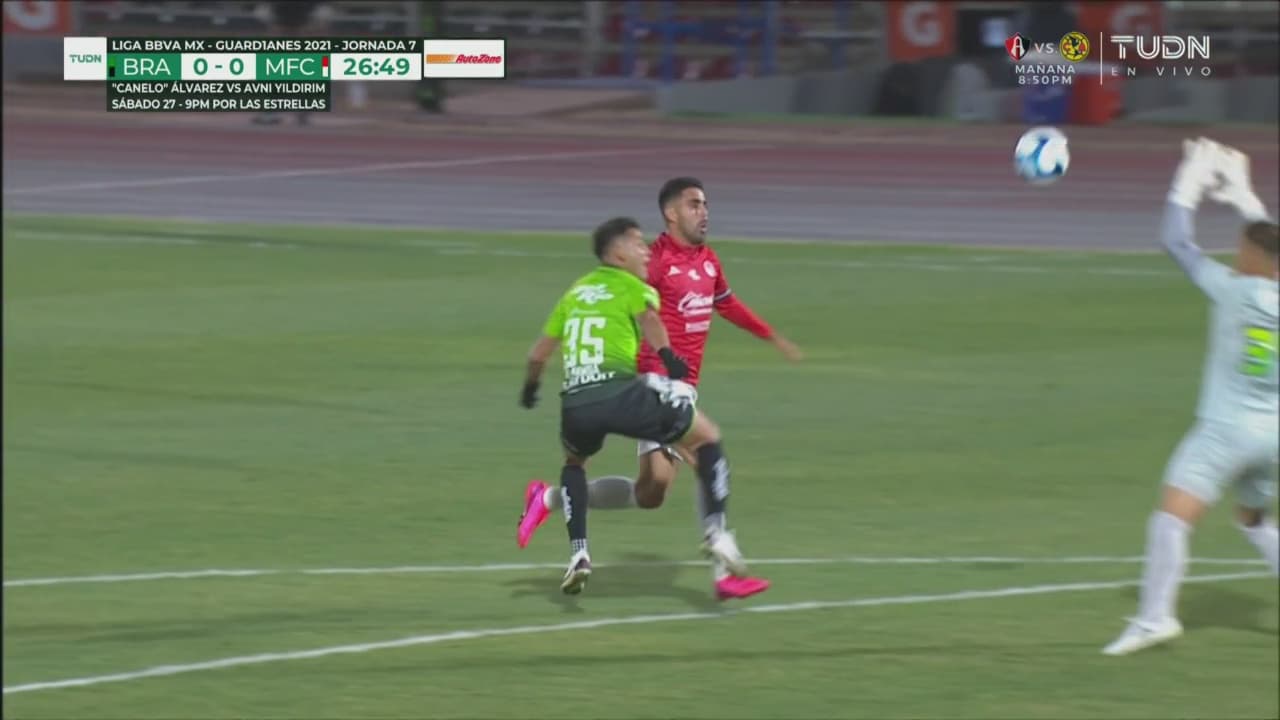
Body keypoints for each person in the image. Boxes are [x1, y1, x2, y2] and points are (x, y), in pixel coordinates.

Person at [518, 178, 800, 599]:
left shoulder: (708, 261)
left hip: (681, 385)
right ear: (671, 213)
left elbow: (726, 303)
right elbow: (634, 313)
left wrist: (769, 334)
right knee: (708, 452)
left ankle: (550, 499)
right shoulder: (654, 263)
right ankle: (723, 569)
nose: (704, 212)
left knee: (652, 493)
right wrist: (643, 369)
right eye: (694, 205)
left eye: (705, 204)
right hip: (658, 384)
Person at [1103, 138, 1279, 656]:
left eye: (1242, 248)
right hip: (1273, 434)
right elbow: (1268, 241)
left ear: (1254, 258)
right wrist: (1242, 194)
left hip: (1226, 431)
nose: (1236, 252)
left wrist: (1189, 179)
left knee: (1172, 516)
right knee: (1253, 520)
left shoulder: (1234, 290)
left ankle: (1155, 618)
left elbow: (1176, 242)